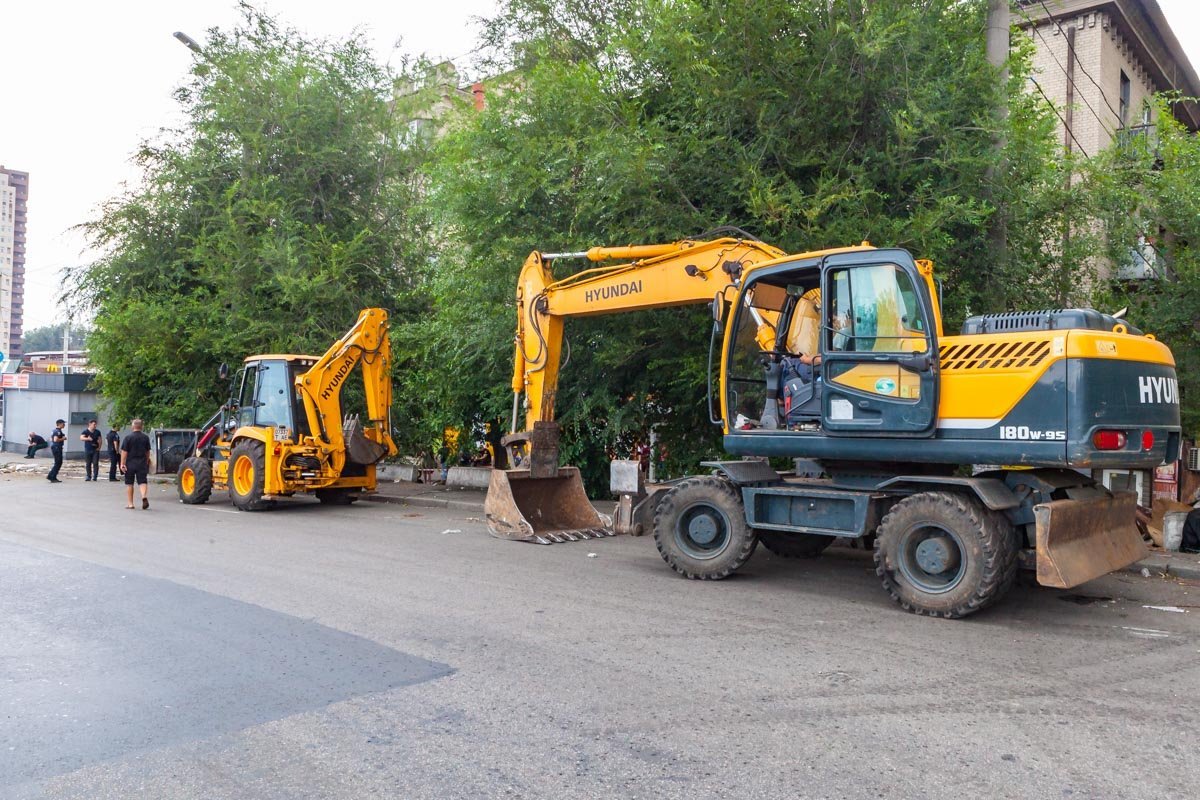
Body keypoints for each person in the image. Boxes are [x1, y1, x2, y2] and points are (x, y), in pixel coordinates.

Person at [120, 419, 153, 509]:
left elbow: (124, 452)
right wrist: (146, 461)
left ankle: (130, 504)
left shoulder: (128, 437)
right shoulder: (145, 438)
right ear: (141, 427)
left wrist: (122, 463)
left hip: (130, 463)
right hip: (142, 463)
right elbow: (147, 451)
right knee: (142, 481)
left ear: (133, 426)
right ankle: (143, 496)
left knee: (129, 483)